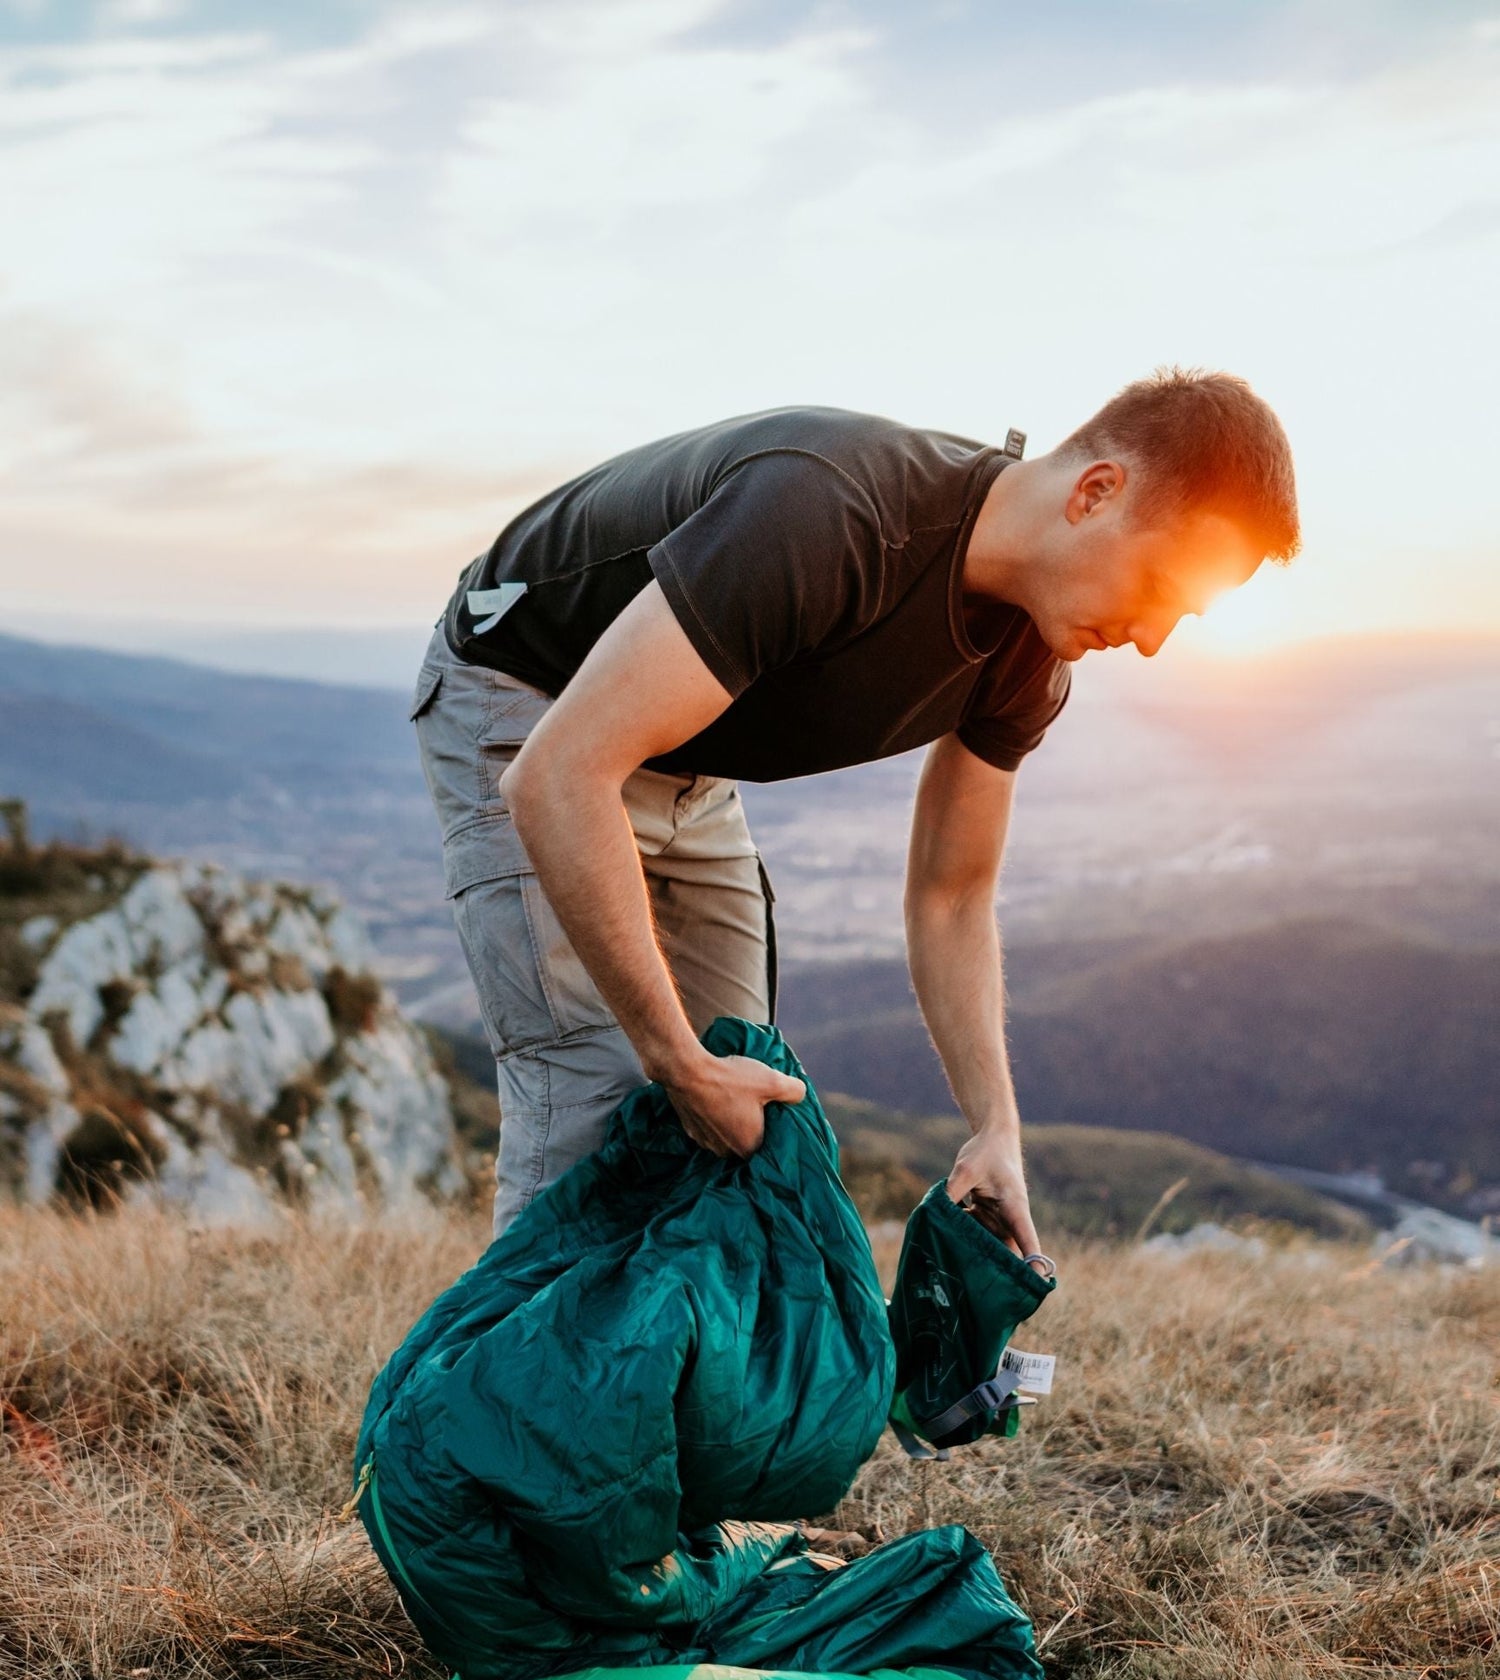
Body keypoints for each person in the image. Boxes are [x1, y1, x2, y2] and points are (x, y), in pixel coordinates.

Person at [412, 367, 1298, 1253]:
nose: (1151, 639)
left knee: (745, 1099)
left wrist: (997, 1127)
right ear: (1097, 493)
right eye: (1158, 589)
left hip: (681, 750)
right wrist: (673, 1060)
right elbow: (559, 776)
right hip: (530, 701)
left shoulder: (1031, 655)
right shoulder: (829, 514)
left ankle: (675, 1384)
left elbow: (951, 894)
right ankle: (496, 1386)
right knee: (593, 1095)